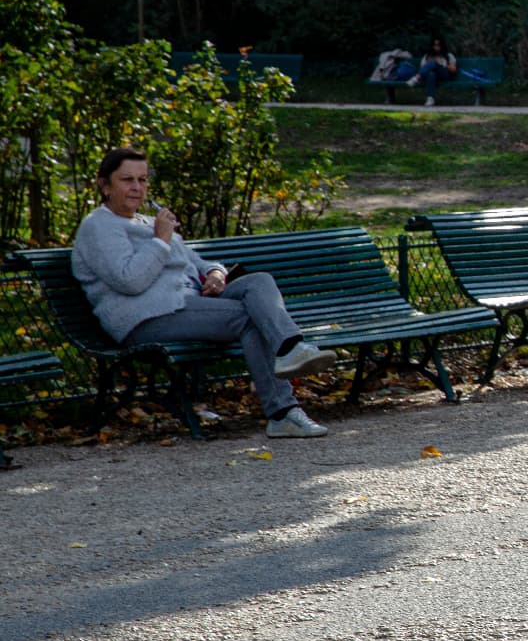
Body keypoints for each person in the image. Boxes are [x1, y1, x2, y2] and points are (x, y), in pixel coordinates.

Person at [71, 147, 337, 437]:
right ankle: (283, 412)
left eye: (143, 180)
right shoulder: (99, 226)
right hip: (147, 317)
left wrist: (215, 273)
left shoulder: (148, 221)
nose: (137, 188)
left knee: (258, 281)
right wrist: (160, 240)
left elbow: (195, 261)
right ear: (104, 185)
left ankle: (290, 350)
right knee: (249, 318)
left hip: (188, 303)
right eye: (127, 180)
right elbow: (129, 280)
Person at [407, 35, 459, 108]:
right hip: (431, 77)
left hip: (444, 75)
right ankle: (430, 98)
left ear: (442, 45)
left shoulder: (448, 55)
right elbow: (422, 68)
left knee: (434, 62)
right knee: (431, 73)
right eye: (434, 45)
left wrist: (444, 64)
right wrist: (431, 63)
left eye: (438, 45)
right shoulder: (427, 56)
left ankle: (416, 78)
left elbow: (453, 70)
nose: (436, 47)